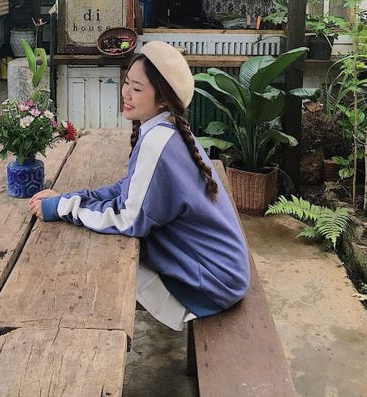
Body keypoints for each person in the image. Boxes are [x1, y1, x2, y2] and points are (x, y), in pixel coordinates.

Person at [28, 41, 250, 331]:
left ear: (163, 99)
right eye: (126, 83)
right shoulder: (166, 128)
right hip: (223, 270)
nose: (126, 93)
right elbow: (130, 189)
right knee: (110, 247)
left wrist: (62, 207)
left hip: (213, 284)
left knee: (101, 268)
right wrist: (70, 198)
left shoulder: (157, 141)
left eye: (137, 88)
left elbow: (128, 219)